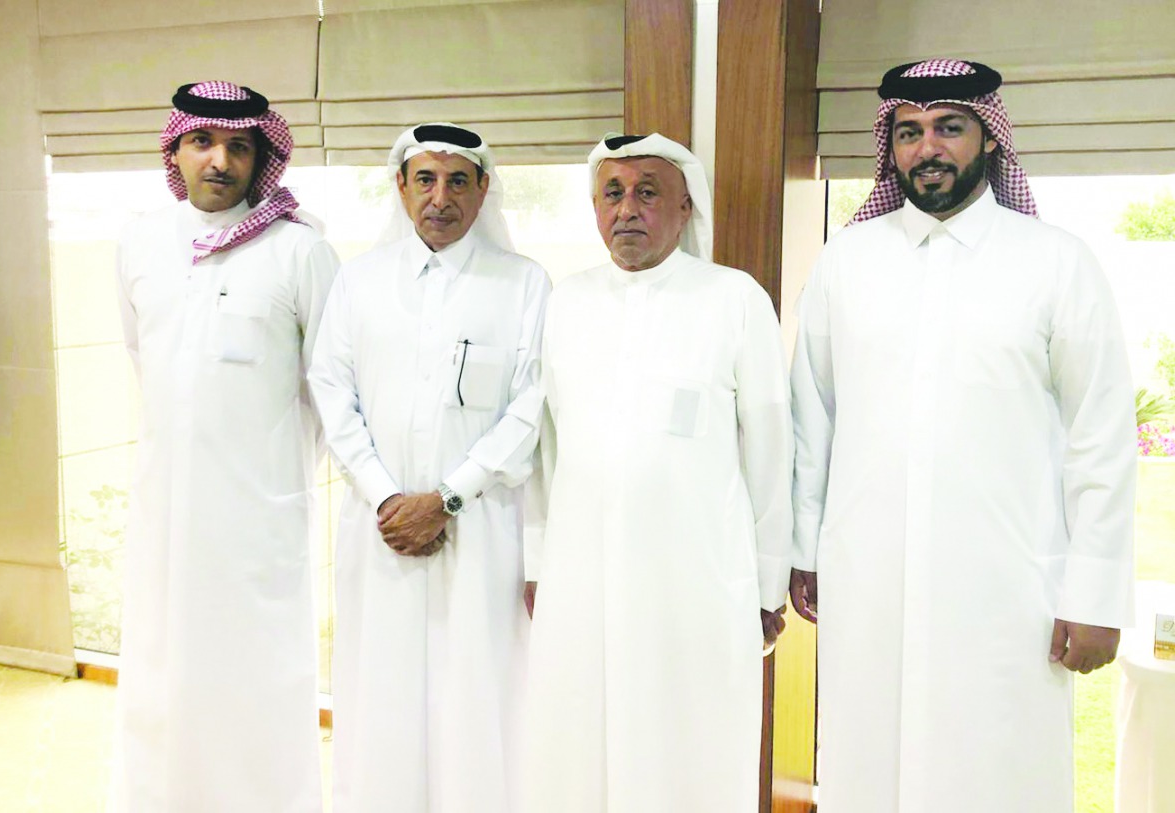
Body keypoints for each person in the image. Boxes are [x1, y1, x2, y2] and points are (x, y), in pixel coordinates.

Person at [789, 59, 1137, 813]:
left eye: (949, 127)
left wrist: (1097, 592)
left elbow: (1100, 437)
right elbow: (810, 416)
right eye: (909, 133)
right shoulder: (848, 260)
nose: (928, 149)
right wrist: (802, 547)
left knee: (997, 763)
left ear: (989, 139)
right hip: (868, 574)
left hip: (1006, 587)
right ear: (890, 147)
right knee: (865, 762)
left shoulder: (1056, 263)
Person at [522, 132, 794, 813]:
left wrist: (767, 583)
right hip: (581, 576)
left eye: (648, 192)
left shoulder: (734, 299)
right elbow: (541, 447)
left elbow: (769, 448)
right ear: (593, 208)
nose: (628, 209)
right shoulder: (565, 302)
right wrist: (537, 562)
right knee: (579, 748)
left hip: (697, 584)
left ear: (684, 207)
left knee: (692, 748)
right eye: (612, 193)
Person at [308, 123, 550, 813]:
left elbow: (531, 409)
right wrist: (390, 498)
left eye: (457, 181)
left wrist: (445, 497)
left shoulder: (525, 284)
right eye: (425, 179)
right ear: (401, 187)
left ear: (482, 191)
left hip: (479, 530)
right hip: (380, 529)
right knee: (376, 690)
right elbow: (332, 392)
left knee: (477, 693)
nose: (439, 197)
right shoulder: (358, 281)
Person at [113, 81, 339, 812]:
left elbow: (332, 389)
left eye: (239, 146)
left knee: (256, 678)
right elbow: (147, 363)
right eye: (203, 142)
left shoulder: (301, 251)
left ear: (260, 157)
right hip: (166, 512)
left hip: (258, 520)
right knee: (158, 670)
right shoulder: (141, 243)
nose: (219, 160)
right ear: (175, 150)